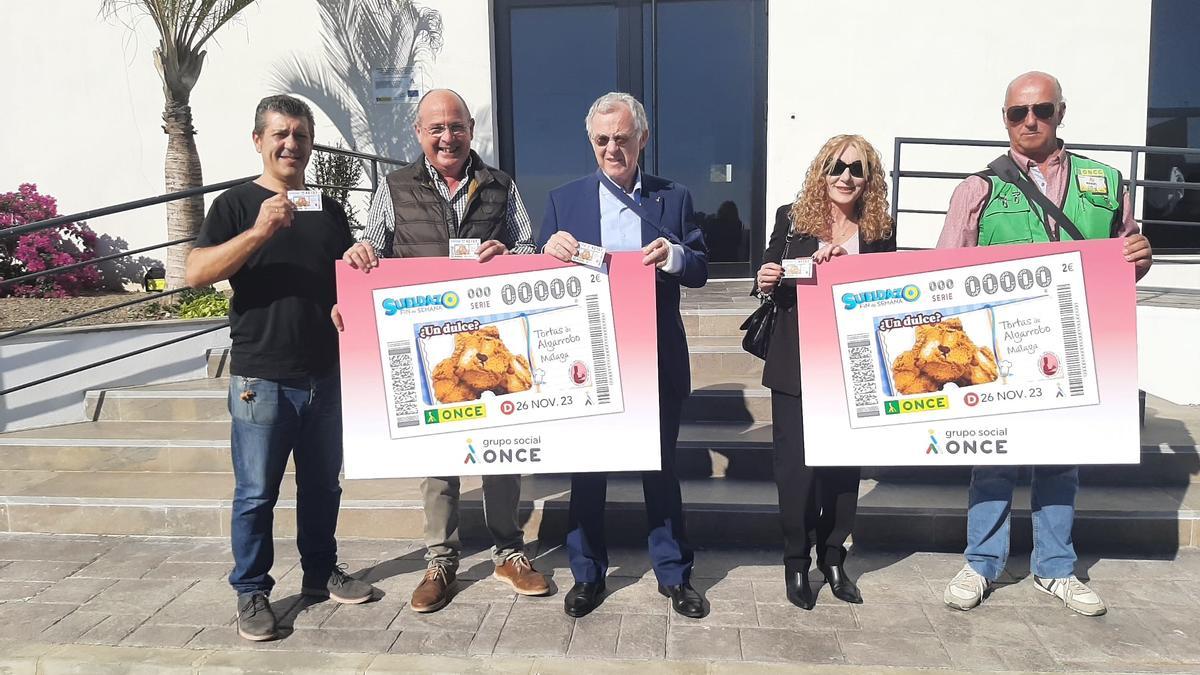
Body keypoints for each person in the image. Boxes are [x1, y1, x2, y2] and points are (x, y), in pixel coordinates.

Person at [938, 71, 1153, 617]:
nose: (1030, 121)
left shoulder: (1104, 181)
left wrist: (1141, 258)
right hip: (1001, 352)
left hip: (1076, 347)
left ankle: (1054, 567)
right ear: (1004, 117)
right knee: (994, 458)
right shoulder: (978, 189)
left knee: (1061, 459)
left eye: (1042, 110)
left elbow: (1126, 255)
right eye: (1018, 113)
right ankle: (982, 561)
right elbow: (943, 273)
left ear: (1061, 111)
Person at [341, 88, 548, 614]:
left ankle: (508, 553)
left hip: (492, 344)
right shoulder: (395, 186)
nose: (446, 137)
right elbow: (373, 249)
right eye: (435, 128)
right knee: (437, 454)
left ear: (470, 130)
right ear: (419, 133)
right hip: (431, 348)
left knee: (501, 449)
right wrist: (355, 264)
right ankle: (441, 561)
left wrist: (509, 251)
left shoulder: (501, 185)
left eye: (455, 127)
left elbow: (532, 247)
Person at [185, 94, 375, 642]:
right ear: (259, 141)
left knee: (323, 487)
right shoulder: (237, 205)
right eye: (280, 134)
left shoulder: (327, 207)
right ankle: (251, 592)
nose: (291, 144)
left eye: (300, 135)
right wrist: (259, 232)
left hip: (324, 374)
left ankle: (320, 571)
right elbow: (196, 272)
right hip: (260, 379)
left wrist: (357, 268)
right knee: (255, 494)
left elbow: (340, 279)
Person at [539, 92, 709, 619]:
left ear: (643, 139)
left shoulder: (672, 197)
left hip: (653, 356)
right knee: (588, 473)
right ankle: (587, 574)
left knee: (660, 471)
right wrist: (547, 253)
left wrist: (677, 255)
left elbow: (702, 266)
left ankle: (674, 575)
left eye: (623, 137)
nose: (613, 148)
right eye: (602, 139)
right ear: (591, 143)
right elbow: (538, 282)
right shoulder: (563, 201)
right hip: (586, 364)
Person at [754, 134, 896, 610]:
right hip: (795, 358)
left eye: (857, 169)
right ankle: (796, 561)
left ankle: (833, 557)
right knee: (796, 470)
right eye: (837, 167)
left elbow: (886, 291)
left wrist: (848, 267)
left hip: (850, 363)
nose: (846, 177)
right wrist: (768, 278)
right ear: (822, 171)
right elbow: (770, 277)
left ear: (869, 178)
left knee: (841, 468)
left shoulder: (878, 229)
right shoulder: (791, 219)